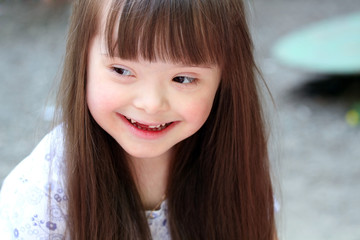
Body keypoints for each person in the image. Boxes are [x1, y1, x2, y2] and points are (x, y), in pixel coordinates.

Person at [0, 0, 278, 239]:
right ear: (83, 61)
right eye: (122, 70)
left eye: (182, 78)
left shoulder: (233, 159)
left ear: (226, 79)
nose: (151, 104)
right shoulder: (42, 191)